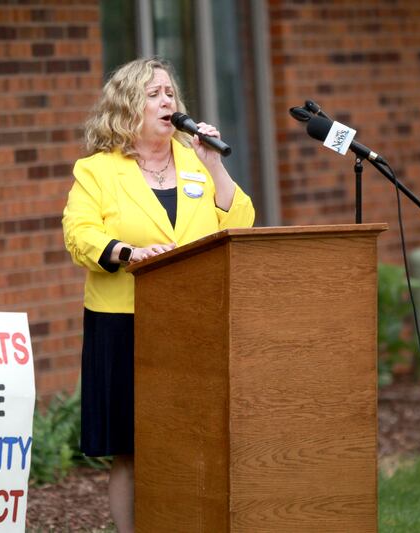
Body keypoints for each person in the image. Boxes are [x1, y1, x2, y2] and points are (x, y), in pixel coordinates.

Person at [62, 57, 255, 532]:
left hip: (191, 319)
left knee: (191, 437)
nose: (167, 101)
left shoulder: (196, 162)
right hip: (123, 320)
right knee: (130, 444)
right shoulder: (97, 171)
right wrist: (128, 252)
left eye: (170, 92)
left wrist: (216, 166)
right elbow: (78, 234)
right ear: (128, 107)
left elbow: (240, 225)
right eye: (154, 94)